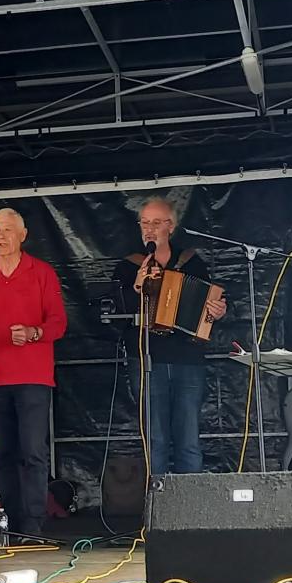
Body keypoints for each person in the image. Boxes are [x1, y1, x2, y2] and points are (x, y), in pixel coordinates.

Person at [0, 208, 67, 540]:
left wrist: (34, 332)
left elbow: (59, 322)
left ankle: (34, 524)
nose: (1, 235)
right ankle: (15, 523)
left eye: (8, 229)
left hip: (33, 377)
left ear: (23, 235)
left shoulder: (42, 272)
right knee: (2, 454)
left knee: (33, 451)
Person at [110, 197, 226, 474]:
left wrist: (218, 310)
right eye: (145, 223)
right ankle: (156, 500)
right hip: (147, 359)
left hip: (188, 358)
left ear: (170, 226)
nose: (149, 229)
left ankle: (191, 501)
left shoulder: (191, 262)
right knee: (156, 438)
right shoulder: (129, 266)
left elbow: (209, 302)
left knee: (189, 439)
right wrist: (136, 287)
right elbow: (116, 314)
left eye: (156, 223)